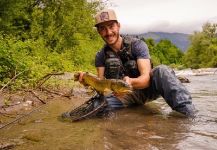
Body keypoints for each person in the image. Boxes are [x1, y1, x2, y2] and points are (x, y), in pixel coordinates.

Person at [78, 9, 196, 117]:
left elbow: (146, 79)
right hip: (122, 96)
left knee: (162, 71)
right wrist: (87, 82)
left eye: (111, 26)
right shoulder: (100, 56)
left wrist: (130, 82)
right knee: (98, 107)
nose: (108, 32)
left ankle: (189, 114)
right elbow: (100, 85)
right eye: (103, 28)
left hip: (147, 90)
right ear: (99, 32)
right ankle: (132, 110)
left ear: (118, 26)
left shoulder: (138, 45)